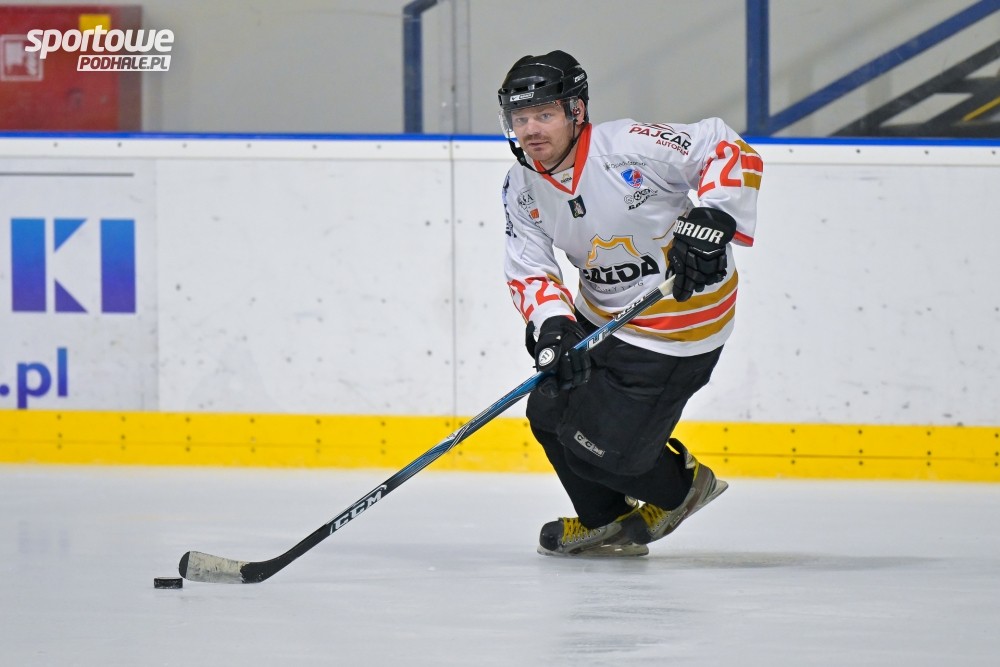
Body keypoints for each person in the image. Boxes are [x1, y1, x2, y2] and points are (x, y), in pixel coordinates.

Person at [498, 50, 762, 557]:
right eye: (520, 117)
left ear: (576, 111)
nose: (530, 129)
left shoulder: (630, 146)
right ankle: (607, 522)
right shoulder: (521, 184)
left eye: (544, 114)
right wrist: (553, 322)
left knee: (600, 452)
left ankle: (684, 487)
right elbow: (528, 264)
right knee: (548, 411)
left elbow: (724, 145)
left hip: (680, 323)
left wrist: (714, 215)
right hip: (600, 318)